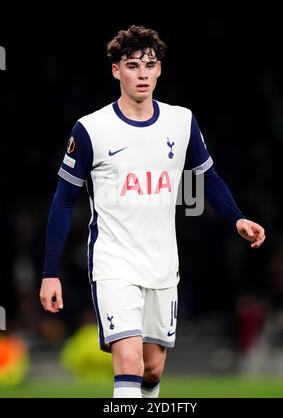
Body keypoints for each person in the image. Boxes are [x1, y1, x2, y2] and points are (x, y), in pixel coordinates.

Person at [39, 25, 266, 398]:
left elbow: (208, 177)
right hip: (114, 262)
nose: (142, 74)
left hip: (162, 263)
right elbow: (64, 200)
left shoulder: (181, 122)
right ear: (116, 71)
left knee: (151, 368)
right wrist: (50, 272)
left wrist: (237, 217)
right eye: (132, 65)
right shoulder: (91, 129)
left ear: (160, 69)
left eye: (150, 65)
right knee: (127, 363)